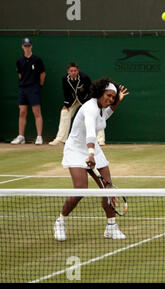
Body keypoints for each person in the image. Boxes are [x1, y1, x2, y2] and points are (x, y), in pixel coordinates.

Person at [53, 78, 129, 241]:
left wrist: (117, 102)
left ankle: (111, 227)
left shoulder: (102, 108)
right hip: (76, 149)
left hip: (92, 149)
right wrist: (91, 154)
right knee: (81, 189)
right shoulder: (90, 108)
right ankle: (60, 221)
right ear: (101, 92)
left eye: (113, 98)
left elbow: (107, 114)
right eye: (108, 96)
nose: (110, 100)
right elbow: (90, 132)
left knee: (108, 189)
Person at [49, 62, 106, 146]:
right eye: (71, 71)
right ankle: (61, 139)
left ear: (77, 71)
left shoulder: (84, 77)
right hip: (73, 100)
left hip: (86, 99)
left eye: (75, 70)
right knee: (64, 112)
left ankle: (100, 139)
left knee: (95, 114)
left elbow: (91, 90)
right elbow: (66, 93)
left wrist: (92, 104)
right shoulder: (64, 79)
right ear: (68, 71)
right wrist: (66, 105)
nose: (73, 72)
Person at [11, 37, 46, 145]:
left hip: (34, 88)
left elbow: (43, 74)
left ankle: (39, 137)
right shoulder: (19, 61)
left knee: (37, 112)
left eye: (28, 46)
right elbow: (20, 75)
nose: (27, 48)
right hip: (23, 88)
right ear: (22, 47)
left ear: (31, 46)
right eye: (25, 46)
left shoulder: (37, 60)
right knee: (22, 112)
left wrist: (38, 85)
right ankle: (21, 136)